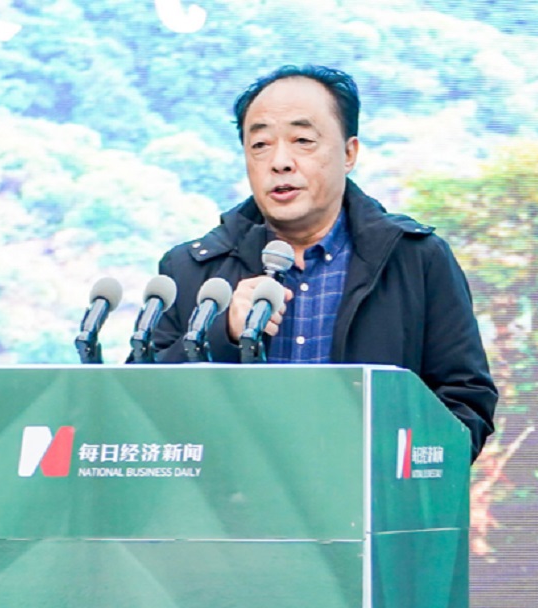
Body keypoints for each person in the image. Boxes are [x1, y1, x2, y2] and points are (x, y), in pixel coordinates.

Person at [150, 64, 497, 461]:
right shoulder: (192, 270)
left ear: (349, 153)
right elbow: (139, 408)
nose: (280, 162)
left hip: (367, 496)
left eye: (302, 140)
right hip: (228, 498)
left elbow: (464, 401)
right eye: (260, 145)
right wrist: (220, 333)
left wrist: (393, 474)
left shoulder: (415, 260)